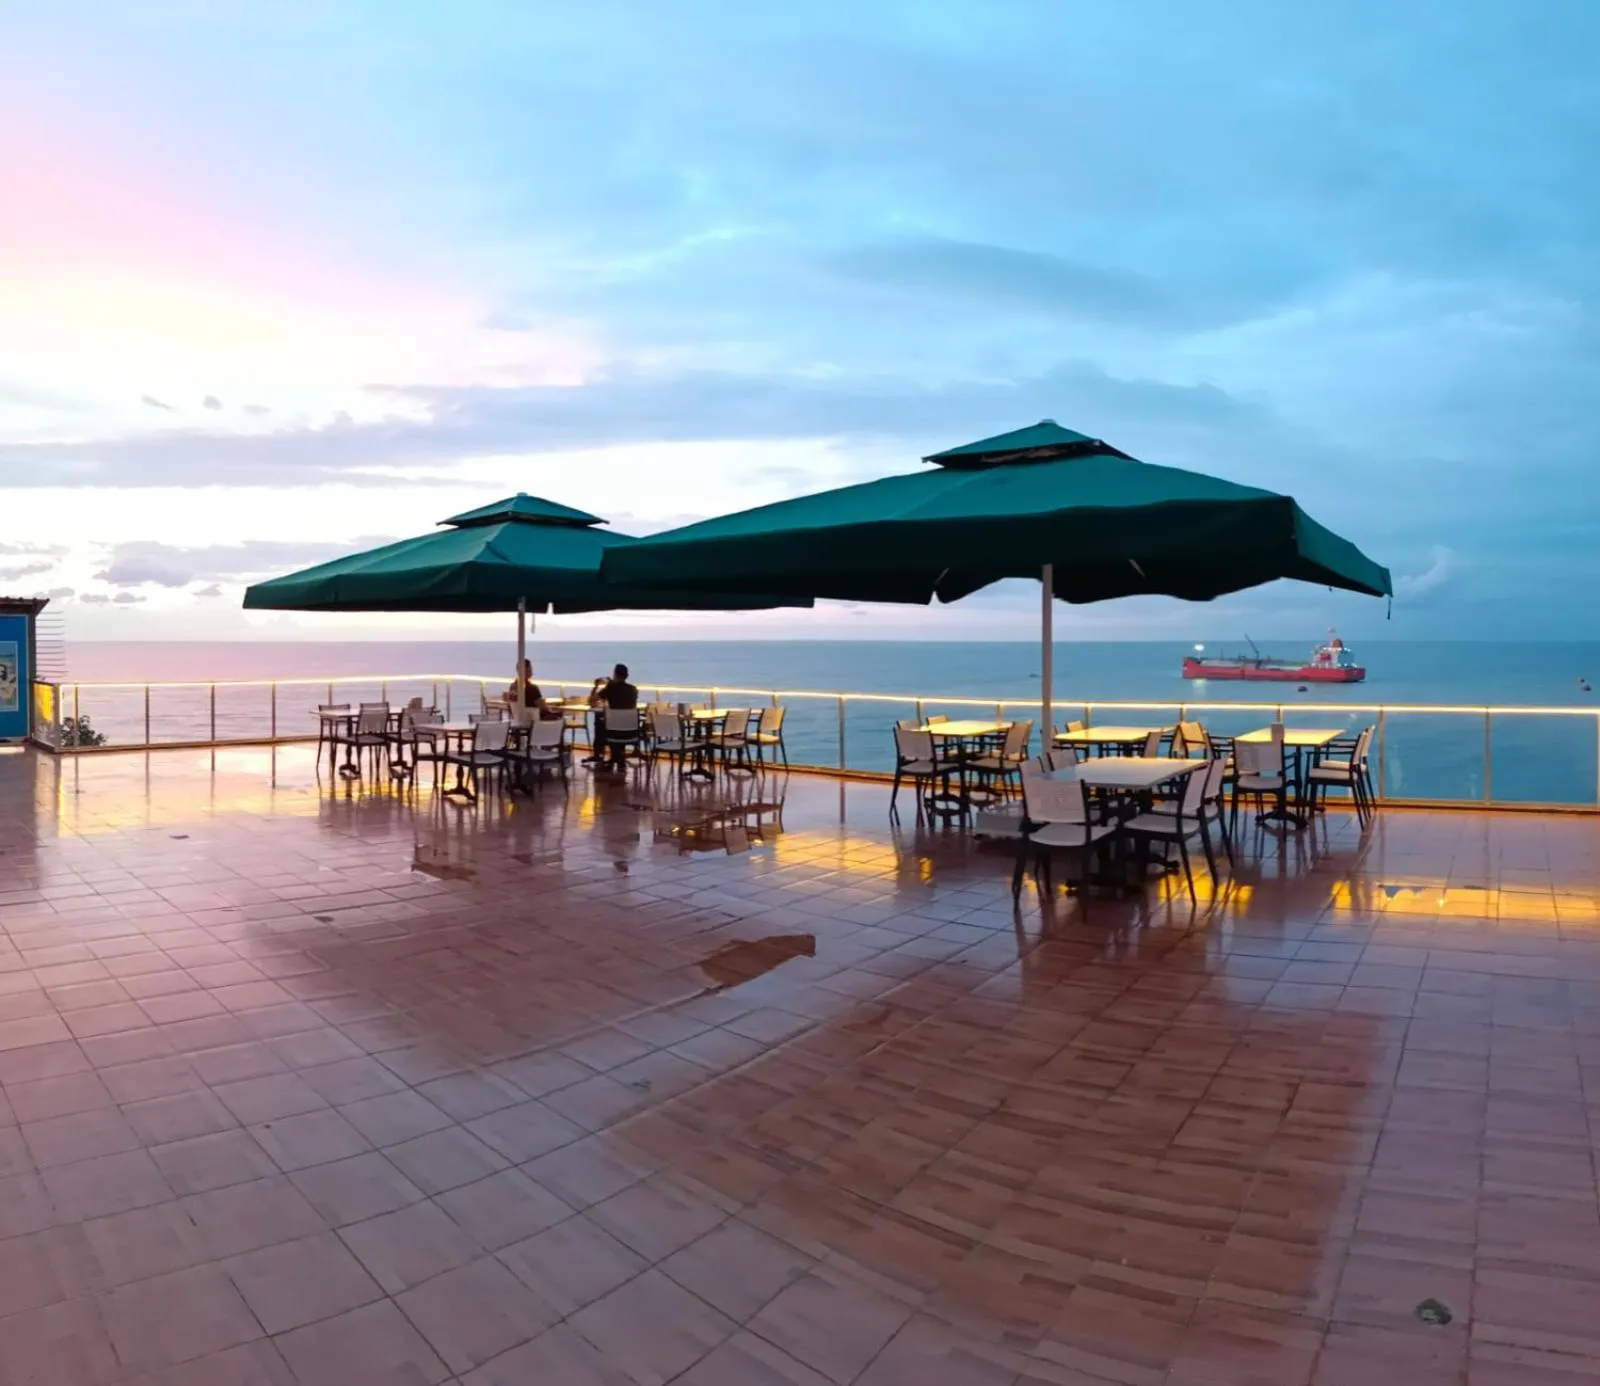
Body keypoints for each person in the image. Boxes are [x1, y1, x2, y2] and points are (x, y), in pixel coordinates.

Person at [592, 663, 639, 770]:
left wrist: (596, 686)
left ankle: (599, 755)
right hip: (630, 732)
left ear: (615, 674)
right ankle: (618, 757)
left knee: (599, 722)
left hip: (613, 732)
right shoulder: (633, 689)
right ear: (627, 676)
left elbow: (592, 699)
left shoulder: (611, 688)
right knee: (618, 724)